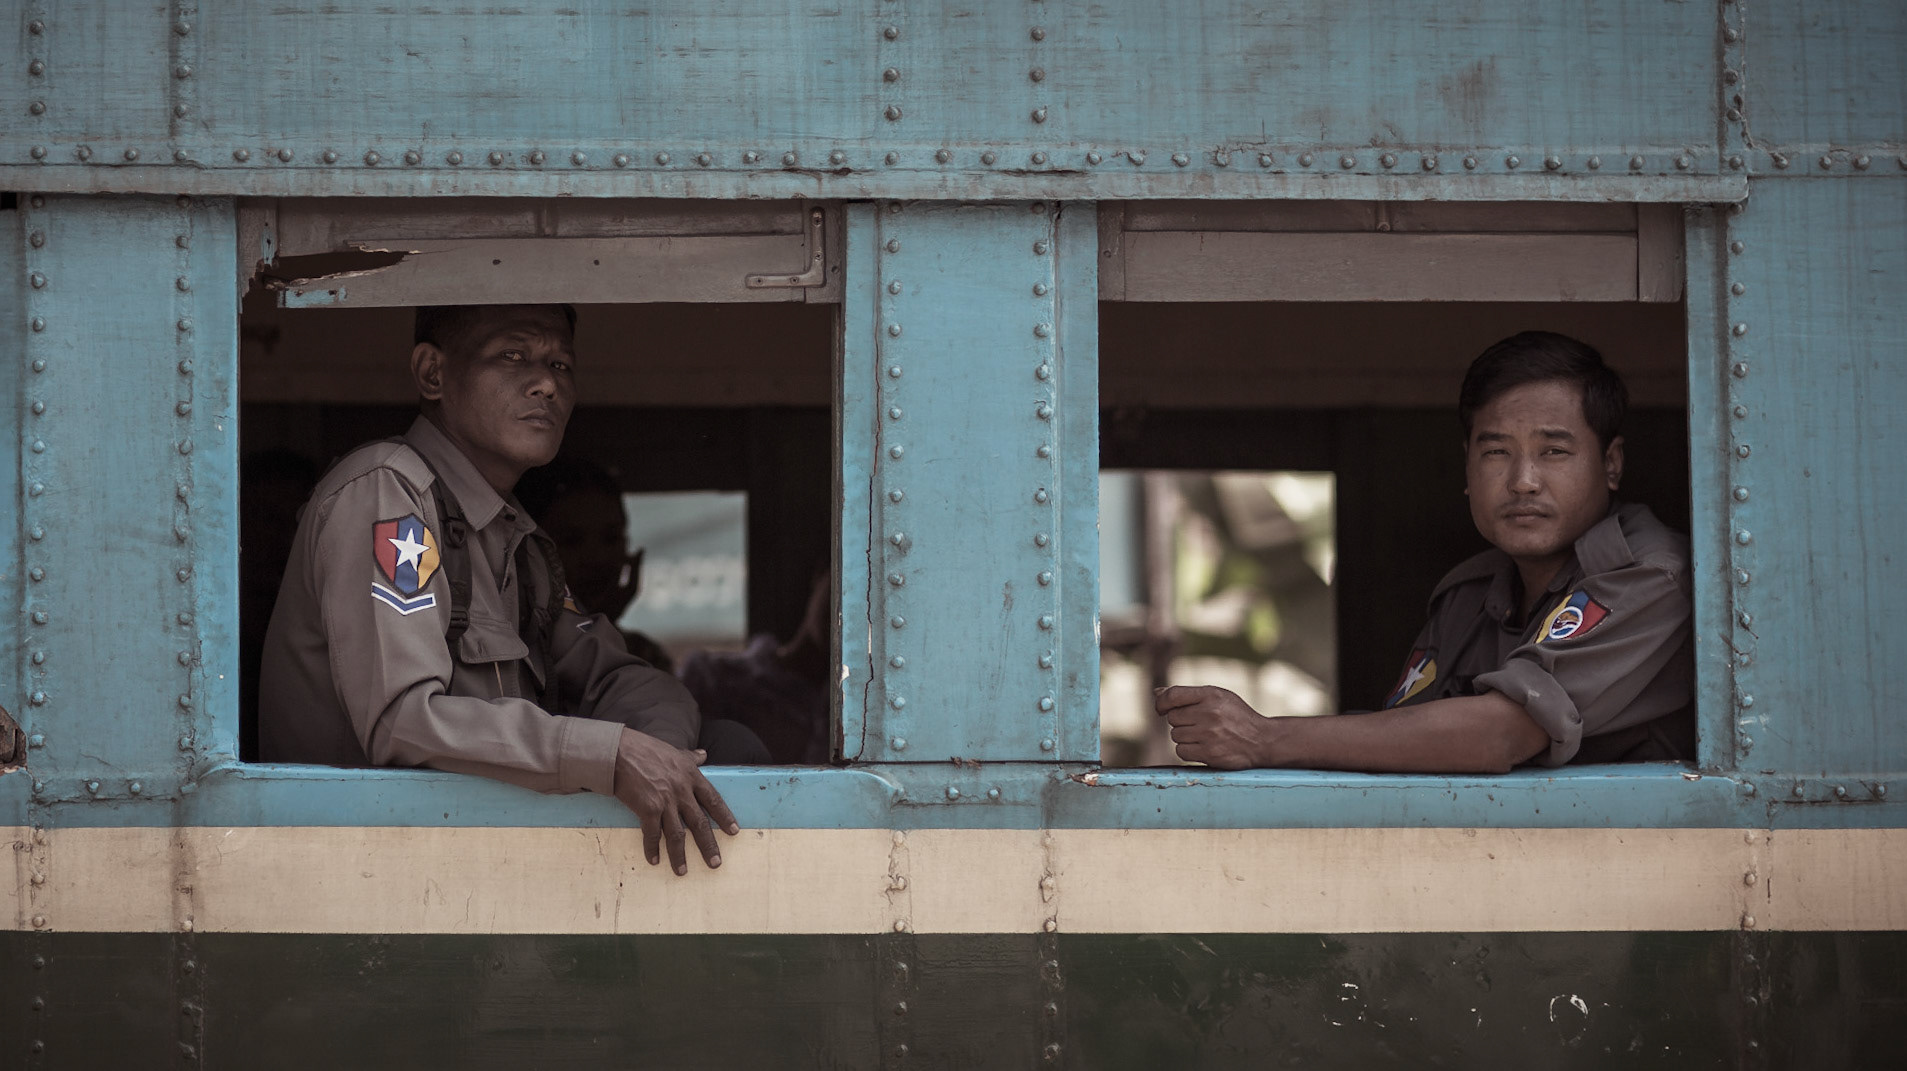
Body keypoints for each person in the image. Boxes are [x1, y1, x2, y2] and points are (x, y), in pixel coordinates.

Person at [259, 304, 740, 875]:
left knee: (729, 742)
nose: (546, 383)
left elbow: (619, 677)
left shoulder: (512, 537)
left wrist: (663, 754)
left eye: (562, 364)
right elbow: (402, 718)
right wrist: (608, 756)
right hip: (366, 871)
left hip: (465, 871)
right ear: (433, 374)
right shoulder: (389, 495)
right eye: (513, 356)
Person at [1156, 331, 1693, 772]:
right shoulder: (1471, 594)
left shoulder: (1649, 576)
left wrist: (1264, 739)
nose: (1523, 481)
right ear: (1467, 466)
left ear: (1612, 463)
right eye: (1497, 452)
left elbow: (1501, 734)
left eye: (1554, 451)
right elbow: (1405, 737)